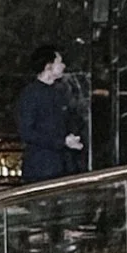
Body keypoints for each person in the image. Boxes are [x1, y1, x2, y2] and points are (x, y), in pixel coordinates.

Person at [14, 45, 83, 182]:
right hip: (41, 168)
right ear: (48, 66)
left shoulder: (58, 92)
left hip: (60, 166)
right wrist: (60, 141)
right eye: (59, 62)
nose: (63, 66)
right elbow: (26, 132)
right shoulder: (31, 94)